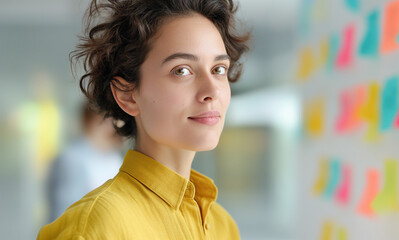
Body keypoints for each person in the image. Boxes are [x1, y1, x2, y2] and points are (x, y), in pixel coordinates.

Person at [37, 0, 249, 239]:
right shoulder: (96, 227)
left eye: (218, 69)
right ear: (128, 95)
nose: (211, 91)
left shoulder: (222, 226)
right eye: (181, 70)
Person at [46, 103, 123, 222]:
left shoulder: (115, 159)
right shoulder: (72, 159)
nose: (115, 127)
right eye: (108, 120)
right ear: (90, 122)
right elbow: (64, 213)